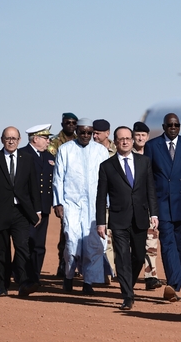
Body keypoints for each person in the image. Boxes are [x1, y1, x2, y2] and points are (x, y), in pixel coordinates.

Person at [96, 126, 159, 310]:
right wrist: (101, 221)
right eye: (121, 139)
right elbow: (101, 197)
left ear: (132, 140)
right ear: (115, 142)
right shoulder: (107, 166)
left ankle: (127, 284)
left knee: (139, 256)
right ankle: (128, 295)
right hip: (118, 219)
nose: (125, 141)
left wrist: (154, 213)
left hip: (140, 217)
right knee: (122, 257)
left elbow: (150, 191)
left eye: (128, 138)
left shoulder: (144, 162)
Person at [143, 113, 181, 302]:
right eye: (170, 125)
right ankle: (171, 284)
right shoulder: (152, 146)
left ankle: (174, 285)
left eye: (176, 125)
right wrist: (149, 205)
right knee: (167, 242)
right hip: (161, 204)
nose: (173, 128)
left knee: (179, 245)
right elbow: (148, 178)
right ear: (163, 126)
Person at [0, 126, 42, 297]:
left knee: (22, 247)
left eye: (14, 138)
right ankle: (2, 285)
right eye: (8, 138)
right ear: (2, 140)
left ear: (20, 140)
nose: (11, 141)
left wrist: (36, 210)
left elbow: (33, 187)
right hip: (0, 212)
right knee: (2, 250)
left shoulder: (27, 159)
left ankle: (23, 283)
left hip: (21, 212)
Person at [53, 118, 109, 295]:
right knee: (71, 242)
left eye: (89, 132)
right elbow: (58, 178)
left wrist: (106, 203)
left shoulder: (101, 151)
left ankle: (88, 282)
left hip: (94, 206)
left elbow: (106, 180)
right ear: (77, 131)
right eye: (82, 132)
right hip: (72, 204)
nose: (85, 135)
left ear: (93, 133)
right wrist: (58, 203)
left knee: (94, 243)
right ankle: (68, 277)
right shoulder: (65, 150)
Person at [19, 124, 55, 284]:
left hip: (45, 208)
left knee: (39, 246)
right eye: (46, 138)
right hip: (26, 209)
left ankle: (34, 276)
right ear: (35, 139)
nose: (49, 141)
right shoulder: (22, 155)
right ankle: (22, 276)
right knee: (26, 244)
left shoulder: (49, 157)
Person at [133, 121, 163, 290]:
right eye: (137, 135)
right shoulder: (127, 154)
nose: (140, 138)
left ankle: (151, 276)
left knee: (151, 241)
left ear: (148, 137)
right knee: (133, 244)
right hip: (131, 206)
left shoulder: (153, 154)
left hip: (150, 205)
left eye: (143, 135)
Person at [50, 112, 78, 278]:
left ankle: (75, 264)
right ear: (62, 123)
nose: (71, 125)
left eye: (74, 123)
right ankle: (63, 263)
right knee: (66, 231)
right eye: (68, 122)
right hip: (63, 192)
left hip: (77, 192)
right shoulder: (54, 143)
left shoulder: (80, 141)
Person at [93, 118, 117, 282]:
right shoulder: (90, 150)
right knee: (104, 239)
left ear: (107, 133)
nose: (94, 136)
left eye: (97, 133)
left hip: (117, 200)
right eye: (93, 133)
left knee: (119, 238)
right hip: (100, 200)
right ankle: (109, 272)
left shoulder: (119, 149)